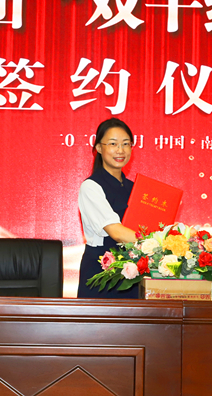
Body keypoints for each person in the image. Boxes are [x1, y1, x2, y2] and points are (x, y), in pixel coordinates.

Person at [77, 117, 140, 299]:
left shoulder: (135, 189)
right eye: (113, 144)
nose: (120, 150)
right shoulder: (91, 186)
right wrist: (159, 243)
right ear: (99, 147)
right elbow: (117, 232)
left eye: (126, 144)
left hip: (133, 273)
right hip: (101, 275)